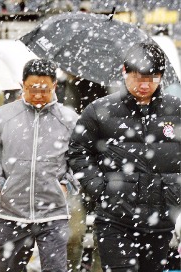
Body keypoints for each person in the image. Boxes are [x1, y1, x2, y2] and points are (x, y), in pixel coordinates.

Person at [67, 42, 181, 272]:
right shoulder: (99, 110)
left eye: (153, 77)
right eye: (138, 77)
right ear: (124, 72)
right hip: (115, 219)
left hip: (162, 219)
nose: (145, 84)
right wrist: (101, 188)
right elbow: (78, 152)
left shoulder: (176, 109)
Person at [0, 59, 79, 272]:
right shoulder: (4, 115)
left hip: (54, 214)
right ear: (22, 85)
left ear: (55, 86)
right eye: (33, 88)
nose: (39, 95)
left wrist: (67, 185)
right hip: (12, 212)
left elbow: (82, 160)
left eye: (45, 89)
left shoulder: (69, 120)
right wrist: (0, 185)